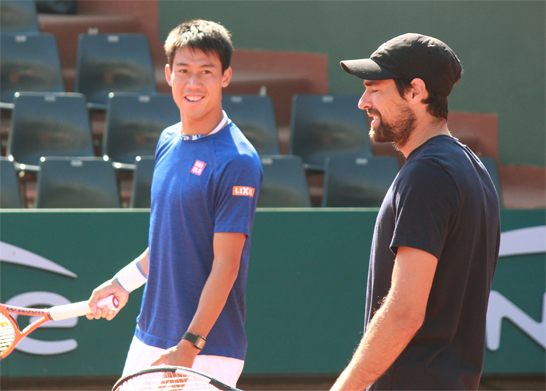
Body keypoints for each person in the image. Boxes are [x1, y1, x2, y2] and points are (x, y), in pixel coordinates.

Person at [86, 19, 263, 388]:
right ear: (168, 75)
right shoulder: (167, 140)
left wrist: (190, 345)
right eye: (184, 71)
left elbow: (226, 265)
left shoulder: (238, 161)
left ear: (225, 77)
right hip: (148, 336)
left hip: (206, 349)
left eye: (206, 72)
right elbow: (172, 240)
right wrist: (123, 282)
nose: (193, 83)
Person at [331, 33, 500, 390]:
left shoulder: (428, 173)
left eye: (374, 88)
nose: (363, 102)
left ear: (415, 91)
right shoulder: (471, 167)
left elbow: (405, 312)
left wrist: (345, 387)